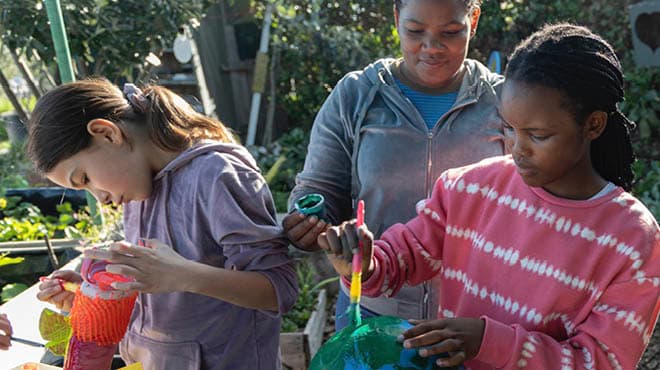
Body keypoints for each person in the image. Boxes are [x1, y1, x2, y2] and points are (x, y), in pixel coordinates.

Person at [319, 23, 660, 369]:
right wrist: (366, 261)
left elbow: (602, 362)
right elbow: (405, 256)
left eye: (538, 135)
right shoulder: (470, 188)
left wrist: (487, 341)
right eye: (508, 128)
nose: (517, 149)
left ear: (593, 125)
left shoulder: (633, 241)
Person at [29, 79, 298, 370]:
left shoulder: (217, 174)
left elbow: (279, 289)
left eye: (85, 179)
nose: (100, 199)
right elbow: (159, 293)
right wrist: (94, 293)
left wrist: (183, 274)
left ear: (106, 133)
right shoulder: (136, 189)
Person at [283, 0, 505, 330]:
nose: (431, 47)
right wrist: (310, 224)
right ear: (397, 19)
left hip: (474, 322)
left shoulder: (502, 102)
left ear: (473, 20)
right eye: (415, 31)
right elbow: (320, 188)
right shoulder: (355, 96)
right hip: (371, 311)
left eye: (451, 32)